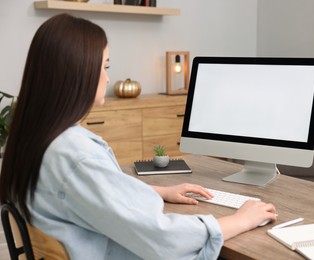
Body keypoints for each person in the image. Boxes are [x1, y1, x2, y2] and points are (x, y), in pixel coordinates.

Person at [0, 13, 277, 259]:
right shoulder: (76, 155)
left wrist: (160, 191)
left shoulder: (36, 140)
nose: (108, 79)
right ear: (77, 72)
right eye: (105, 66)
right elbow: (161, 237)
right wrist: (241, 220)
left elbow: (87, 195)